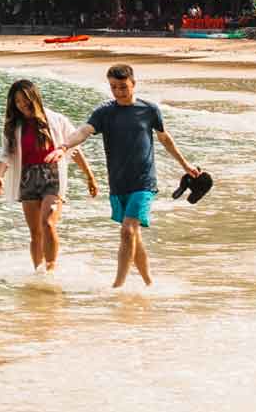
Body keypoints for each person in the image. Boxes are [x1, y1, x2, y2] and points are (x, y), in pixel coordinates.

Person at [77, 63, 189, 289]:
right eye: (113, 87)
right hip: (118, 183)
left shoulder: (149, 110)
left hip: (144, 182)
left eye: (123, 87)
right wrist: (63, 146)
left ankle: (117, 286)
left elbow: (164, 138)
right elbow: (83, 131)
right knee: (133, 235)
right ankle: (150, 283)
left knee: (127, 231)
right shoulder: (104, 112)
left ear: (133, 84)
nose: (118, 92)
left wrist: (185, 165)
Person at [0, 77, 72, 273]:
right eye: (17, 102)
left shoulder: (55, 120)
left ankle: (51, 269)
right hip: (27, 177)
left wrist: (89, 176)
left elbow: (73, 145)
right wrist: (0, 176)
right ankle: (38, 271)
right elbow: (6, 154)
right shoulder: (14, 126)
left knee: (47, 223)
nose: (22, 106)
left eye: (25, 100)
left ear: (34, 98)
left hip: (52, 176)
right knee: (35, 232)